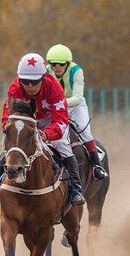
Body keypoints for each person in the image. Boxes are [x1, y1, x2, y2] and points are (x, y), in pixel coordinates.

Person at [0, 53, 86, 206]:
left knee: (63, 147)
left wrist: (46, 134)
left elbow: (61, 121)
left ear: (43, 77)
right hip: (26, 122)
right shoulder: (14, 88)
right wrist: (10, 129)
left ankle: (76, 190)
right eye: (25, 81)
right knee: (13, 147)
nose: (30, 86)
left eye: (34, 81)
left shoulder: (54, 88)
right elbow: (7, 117)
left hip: (51, 120)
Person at [46, 44, 108, 181]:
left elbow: (78, 97)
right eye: (53, 63)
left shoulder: (76, 71)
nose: (57, 67)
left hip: (75, 106)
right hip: (54, 107)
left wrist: (59, 102)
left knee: (83, 131)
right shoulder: (46, 71)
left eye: (61, 64)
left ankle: (96, 166)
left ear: (67, 64)